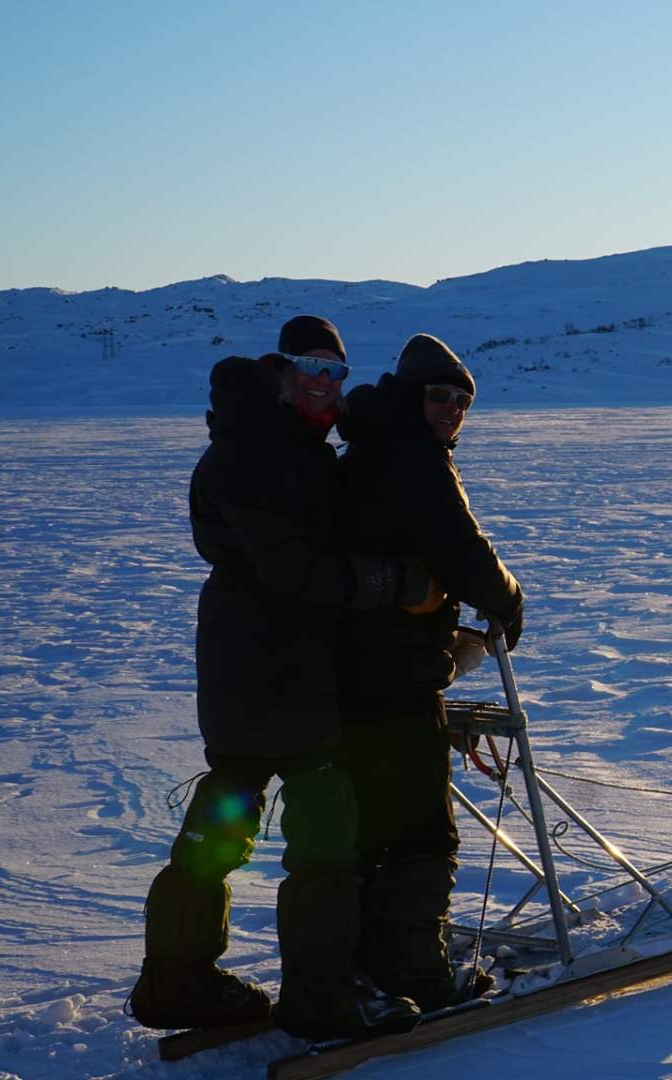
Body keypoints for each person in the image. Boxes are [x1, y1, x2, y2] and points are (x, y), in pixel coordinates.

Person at [130, 316, 429, 1038]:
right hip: (277, 676)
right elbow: (293, 569)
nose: (329, 385)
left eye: (339, 372)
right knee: (325, 837)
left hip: (251, 671)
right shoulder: (257, 454)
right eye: (315, 368)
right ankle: (321, 1000)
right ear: (282, 372)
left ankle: (179, 980)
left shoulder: (282, 447)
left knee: (219, 828)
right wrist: (393, 582)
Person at [334, 332, 524, 1010]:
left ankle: (362, 961)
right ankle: (416, 974)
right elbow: (460, 545)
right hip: (395, 671)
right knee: (422, 828)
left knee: (372, 826)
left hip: (351, 669)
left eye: (462, 401)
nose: (451, 410)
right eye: (439, 396)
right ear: (412, 397)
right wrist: (507, 600)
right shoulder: (413, 458)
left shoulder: (368, 447)